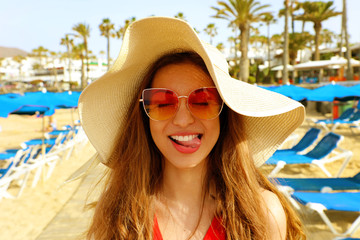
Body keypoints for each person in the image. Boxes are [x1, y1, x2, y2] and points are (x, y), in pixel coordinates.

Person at [79, 17, 306, 240]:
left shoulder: (262, 214)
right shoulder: (120, 213)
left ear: (225, 114)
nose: (183, 120)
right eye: (163, 103)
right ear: (144, 117)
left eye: (203, 101)